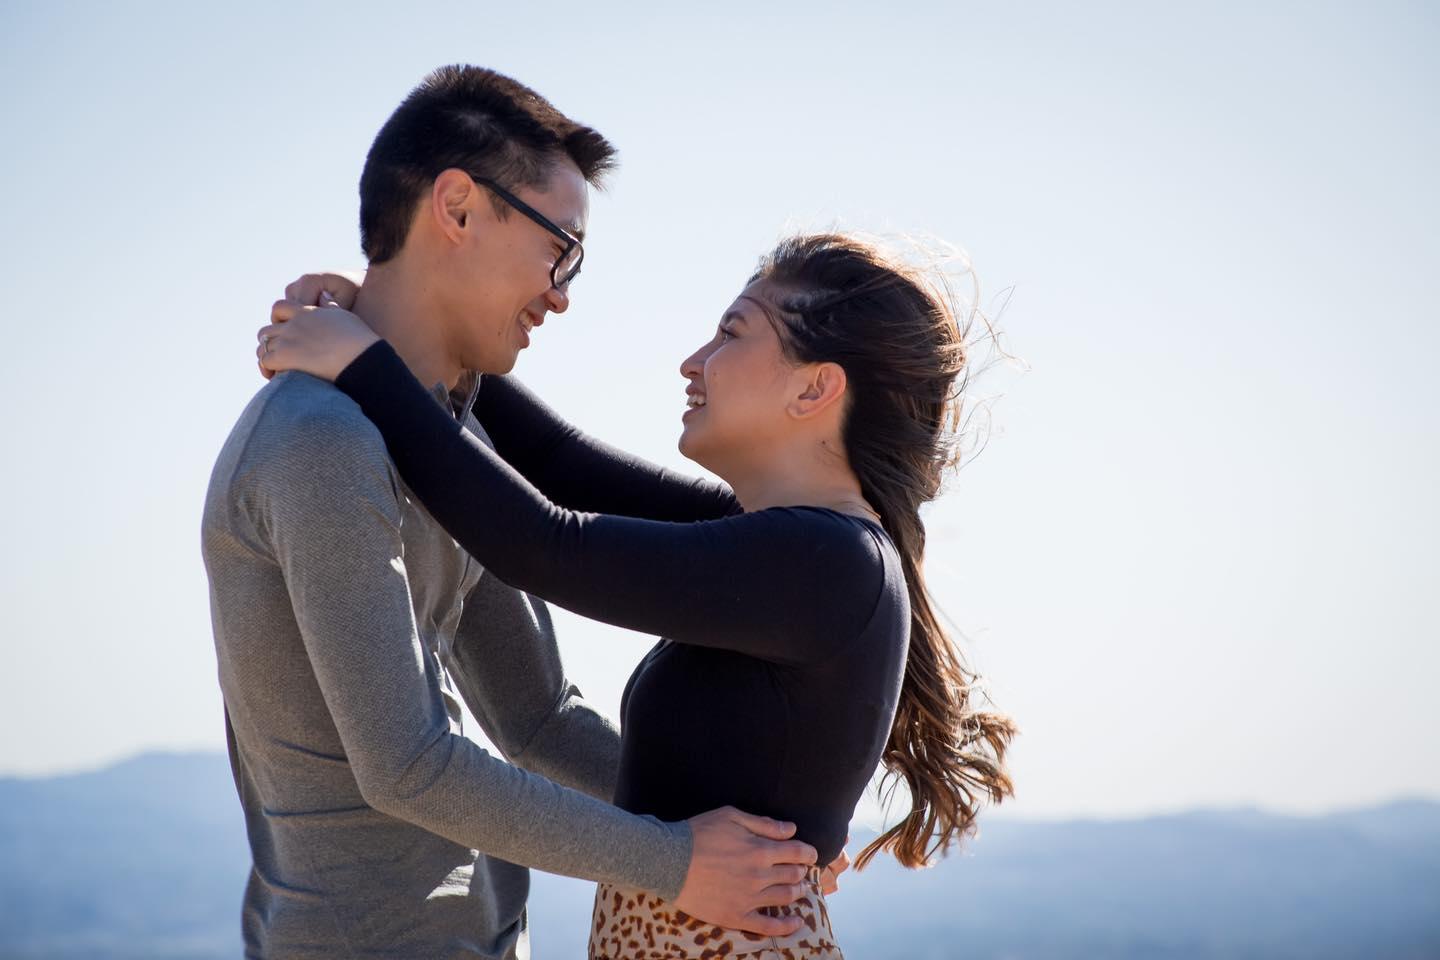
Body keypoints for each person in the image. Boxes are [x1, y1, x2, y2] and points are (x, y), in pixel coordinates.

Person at [202, 65, 823, 960]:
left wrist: (761, 840)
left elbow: (538, 720)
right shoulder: (320, 441)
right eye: (559, 248)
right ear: (457, 208)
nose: (562, 292)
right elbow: (407, 766)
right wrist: (678, 861)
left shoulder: (446, 434)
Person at [257, 232, 1018, 959]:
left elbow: (541, 543)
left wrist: (364, 364)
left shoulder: (825, 562)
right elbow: (557, 462)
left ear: (815, 387)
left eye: (730, 335)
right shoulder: (801, 549)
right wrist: (395, 325)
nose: (693, 362)